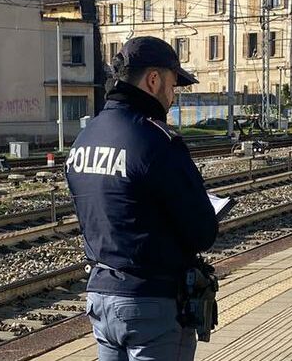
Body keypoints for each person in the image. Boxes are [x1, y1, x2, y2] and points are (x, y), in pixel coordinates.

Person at [66, 36, 218, 361]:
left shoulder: (85, 138)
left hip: (101, 295)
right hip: (152, 304)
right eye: (173, 85)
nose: (173, 97)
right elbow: (202, 233)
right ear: (153, 80)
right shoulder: (156, 141)